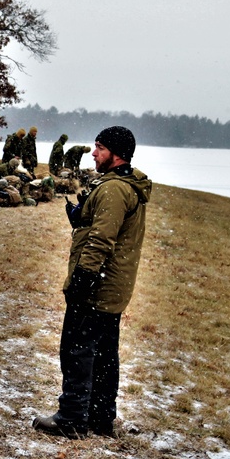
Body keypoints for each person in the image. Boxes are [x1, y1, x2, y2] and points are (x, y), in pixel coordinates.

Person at [33, 126, 152, 438]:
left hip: (97, 287)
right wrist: (81, 217)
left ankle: (72, 417)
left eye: (100, 148)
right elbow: (101, 226)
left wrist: (82, 280)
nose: (95, 153)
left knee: (77, 351)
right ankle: (100, 418)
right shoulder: (126, 185)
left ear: (115, 154)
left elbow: (101, 240)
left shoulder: (114, 190)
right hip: (113, 289)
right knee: (103, 355)